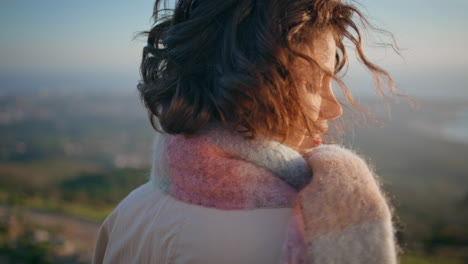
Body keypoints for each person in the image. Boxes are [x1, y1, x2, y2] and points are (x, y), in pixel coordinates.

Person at [92, 0, 400, 263]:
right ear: (244, 86)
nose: (334, 108)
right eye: (310, 84)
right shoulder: (298, 236)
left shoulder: (129, 213)